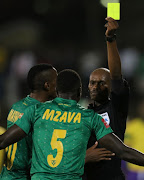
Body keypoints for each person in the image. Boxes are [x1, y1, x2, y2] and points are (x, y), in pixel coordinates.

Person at [1, 69, 144, 180]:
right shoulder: (90, 117)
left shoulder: (36, 111)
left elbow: (3, 141)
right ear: (80, 92)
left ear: (56, 91)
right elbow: (123, 151)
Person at [84, 17, 129, 180]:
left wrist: (110, 39)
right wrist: (84, 158)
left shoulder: (116, 108)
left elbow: (116, 76)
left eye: (102, 83)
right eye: (92, 83)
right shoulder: (82, 114)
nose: (95, 87)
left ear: (110, 87)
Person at [0, 64, 57, 180]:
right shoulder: (41, 113)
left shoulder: (17, 106)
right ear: (47, 85)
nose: (60, 85)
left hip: (6, 175)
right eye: (57, 80)